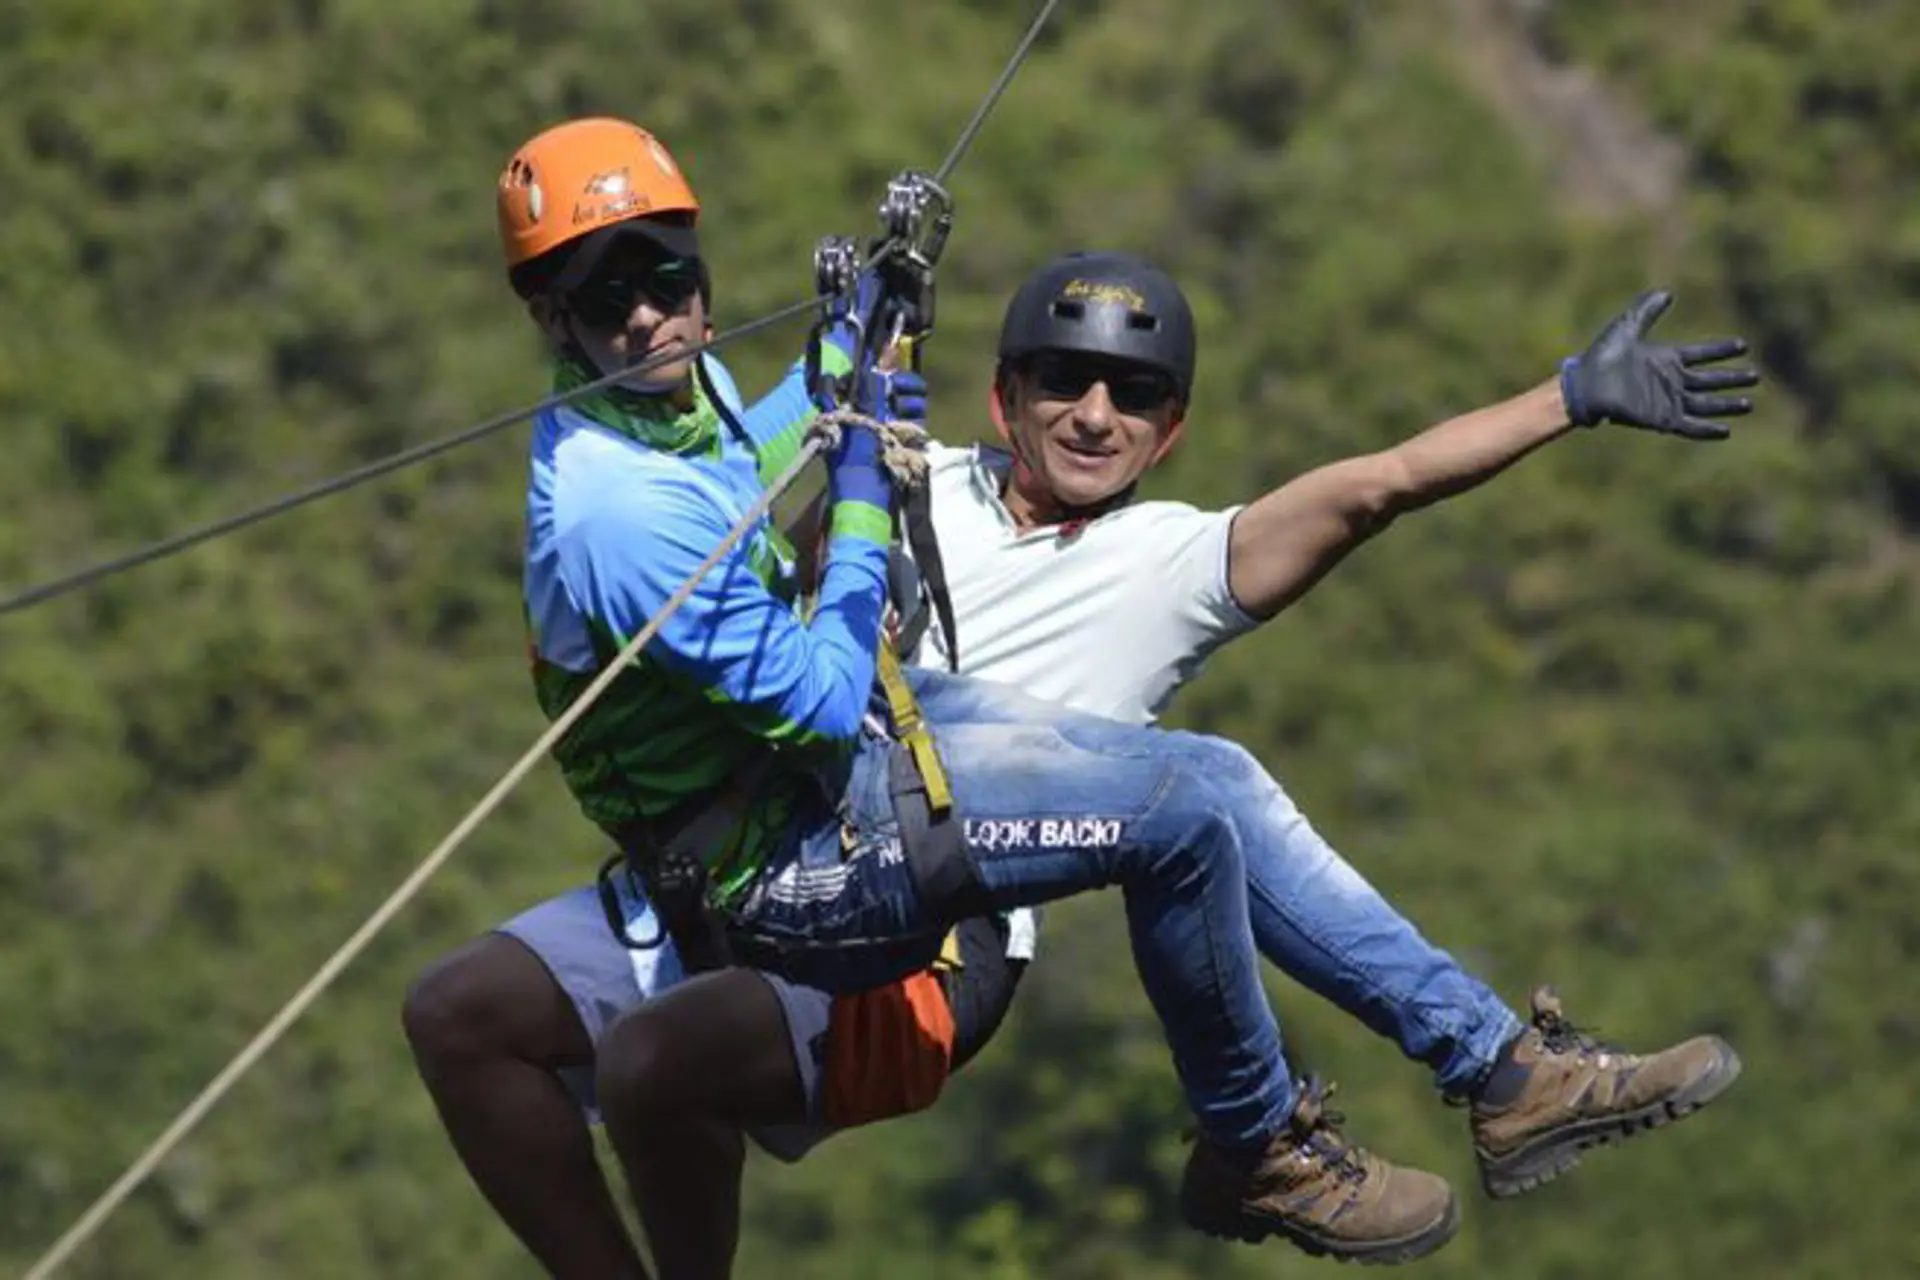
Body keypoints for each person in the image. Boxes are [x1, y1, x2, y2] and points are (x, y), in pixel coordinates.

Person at [402, 117, 1755, 1280]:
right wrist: (848, 412)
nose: (1097, 412)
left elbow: (1376, 482)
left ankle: (1419, 1094)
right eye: (1065, 381)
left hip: (914, 907)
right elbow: (752, 546)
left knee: (1193, 794)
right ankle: (1408, 1101)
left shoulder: (1170, 561)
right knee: (460, 1016)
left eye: (1137, 395)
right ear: (1000, 398)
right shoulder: (896, 473)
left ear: (1174, 433)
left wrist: (1568, 397)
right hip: (782, 819)